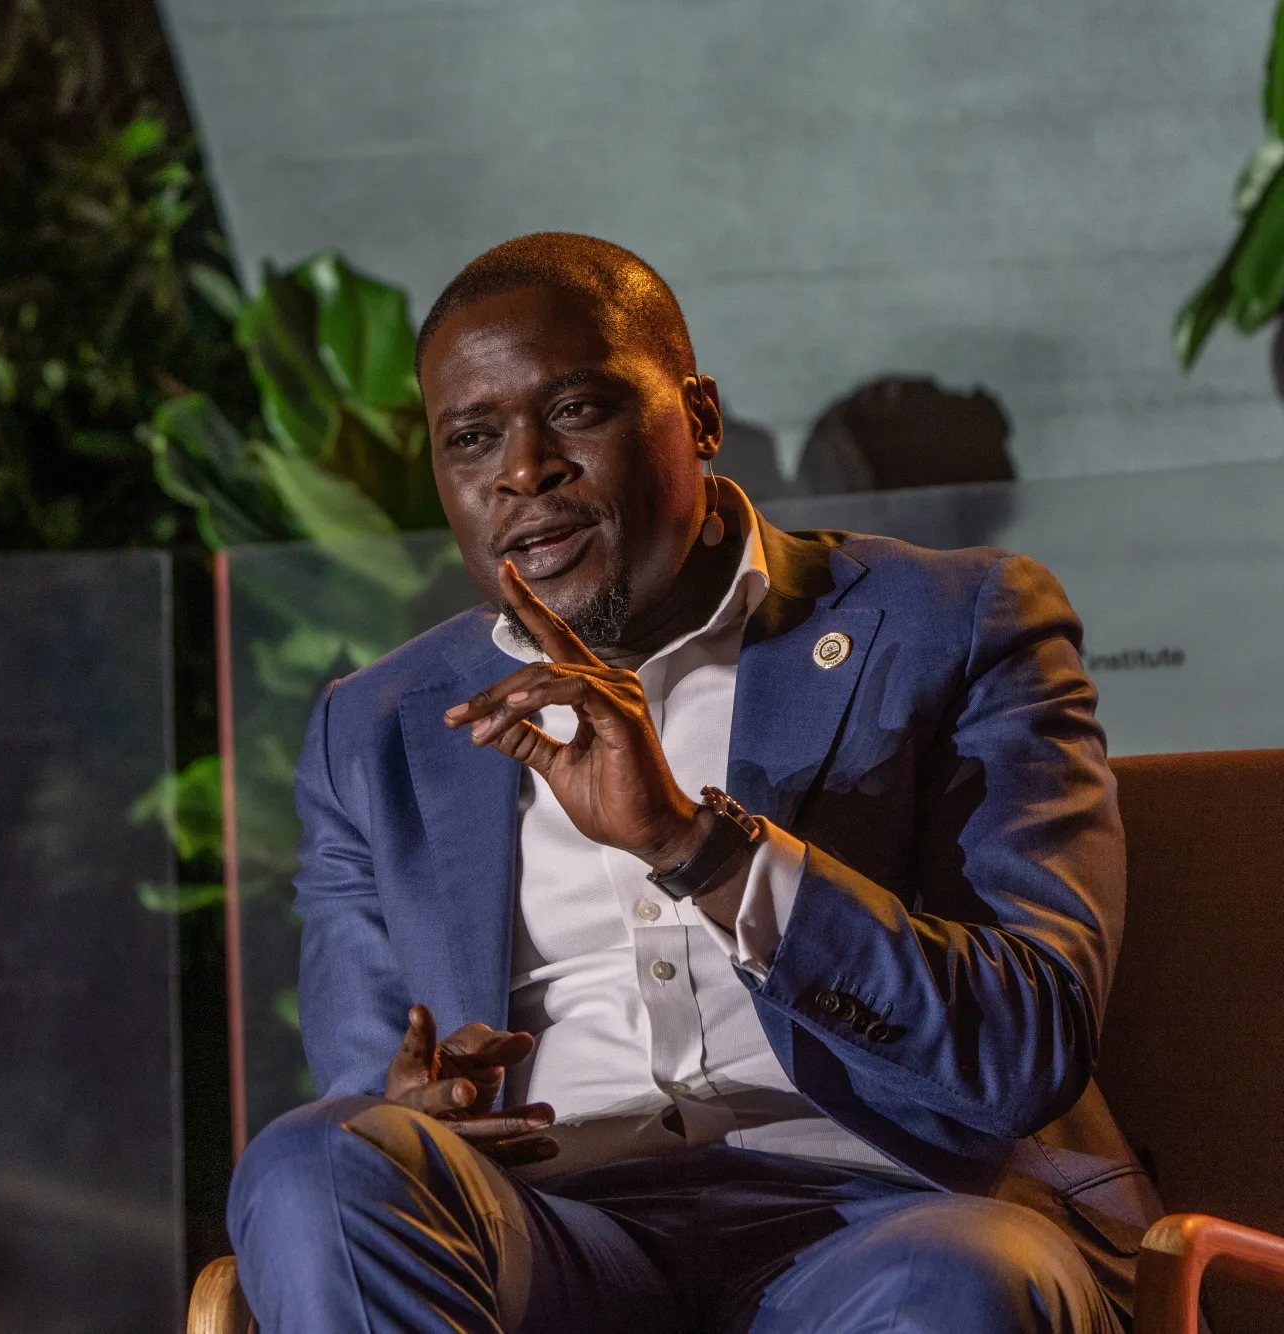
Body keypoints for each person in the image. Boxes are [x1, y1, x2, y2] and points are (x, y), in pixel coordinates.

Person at [225, 233, 1159, 1333]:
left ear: (698, 416)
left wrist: (693, 846)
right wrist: (413, 1112)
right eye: (472, 438)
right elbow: (368, 1098)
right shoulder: (376, 727)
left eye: (575, 410)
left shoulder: (952, 623)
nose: (524, 469)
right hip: (554, 1241)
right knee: (313, 1164)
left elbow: (1025, 1046)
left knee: (962, 1284)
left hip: (895, 1213)